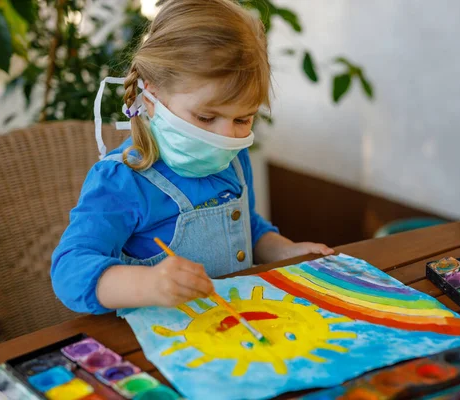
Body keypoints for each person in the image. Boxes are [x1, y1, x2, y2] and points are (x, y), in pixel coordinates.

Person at [51, 0, 333, 314]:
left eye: (242, 120)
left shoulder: (233, 161)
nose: (226, 136)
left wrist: (285, 251)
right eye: (205, 118)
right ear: (152, 97)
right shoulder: (122, 181)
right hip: (161, 344)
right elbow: (69, 271)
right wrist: (148, 284)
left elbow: (247, 229)